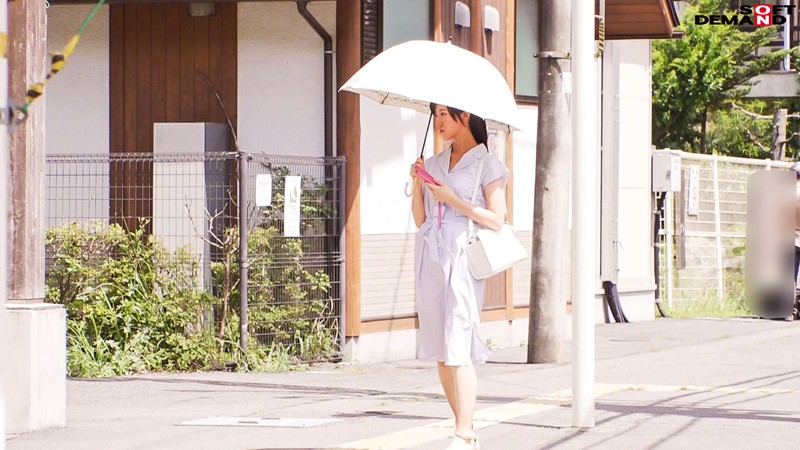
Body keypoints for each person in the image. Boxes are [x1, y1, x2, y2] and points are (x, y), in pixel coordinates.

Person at [409, 103, 509, 450]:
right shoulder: (434, 162)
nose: (437, 121)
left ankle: (464, 433)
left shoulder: (487, 163)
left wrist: (454, 199)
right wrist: (418, 181)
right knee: (440, 348)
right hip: (431, 255)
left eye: (443, 114)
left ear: (464, 117)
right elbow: (420, 219)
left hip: (463, 256)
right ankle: (463, 428)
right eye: (435, 115)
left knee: (458, 342)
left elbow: (497, 219)